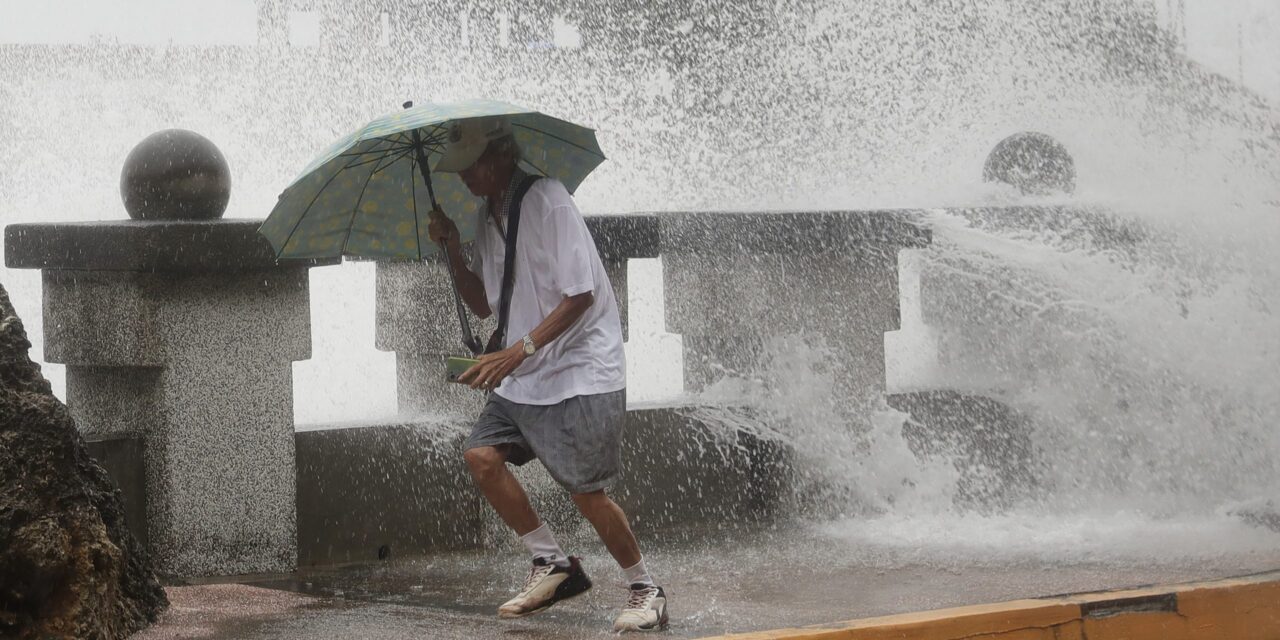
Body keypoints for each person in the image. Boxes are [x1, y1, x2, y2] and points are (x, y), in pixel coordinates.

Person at [427, 116, 669, 633]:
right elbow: (484, 304)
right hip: (527, 372)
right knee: (482, 457)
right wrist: (449, 246)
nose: (463, 178)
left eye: (469, 167)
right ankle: (554, 563)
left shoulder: (548, 199)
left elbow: (580, 294)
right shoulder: (483, 215)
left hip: (582, 369)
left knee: (585, 492)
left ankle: (646, 588)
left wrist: (519, 351)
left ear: (497, 158)